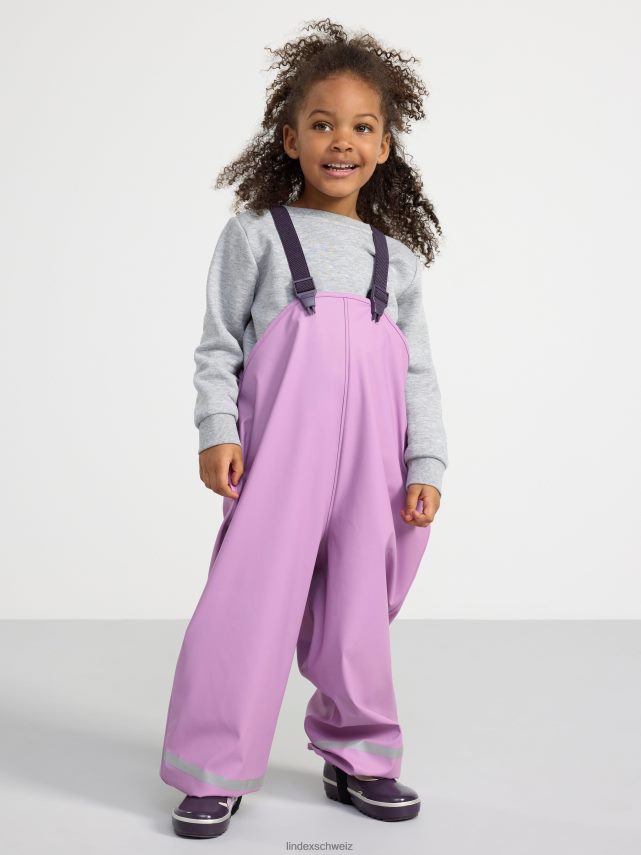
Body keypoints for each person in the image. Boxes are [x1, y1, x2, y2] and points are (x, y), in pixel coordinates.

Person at [159, 18, 449, 838]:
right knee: (248, 602)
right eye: (321, 123)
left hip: (372, 466)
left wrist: (425, 462)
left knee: (358, 610)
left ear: (384, 145)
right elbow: (219, 344)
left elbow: (418, 373)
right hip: (280, 457)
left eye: (360, 126)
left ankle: (359, 755)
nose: (340, 141)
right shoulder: (256, 233)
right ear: (289, 138)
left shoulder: (397, 260)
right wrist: (217, 428)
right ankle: (213, 766)